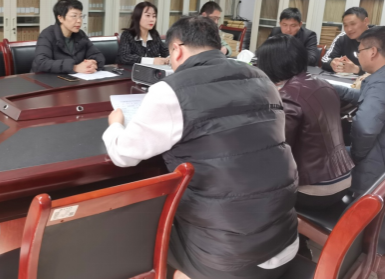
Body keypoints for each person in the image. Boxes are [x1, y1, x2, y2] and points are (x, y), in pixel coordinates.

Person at [103, 16, 298, 279]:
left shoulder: (171, 90)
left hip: (230, 261)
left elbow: (122, 154)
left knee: (137, 230)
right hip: (285, 241)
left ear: (176, 50)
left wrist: (115, 124)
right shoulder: (262, 78)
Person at [256, 34, 354, 209]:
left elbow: (279, 148)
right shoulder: (324, 84)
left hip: (315, 188)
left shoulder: (288, 96)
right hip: (343, 177)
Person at [333, 26, 385, 201]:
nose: (358, 57)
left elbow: (365, 130)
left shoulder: (383, 83)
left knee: (327, 157)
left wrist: (355, 157)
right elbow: (374, 98)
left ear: (372, 52)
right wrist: (332, 88)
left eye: (359, 52)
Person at [32, 0, 105, 74]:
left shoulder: (80, 34)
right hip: (47, 79)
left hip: (74, 78)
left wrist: (93, 63)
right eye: (74, 16)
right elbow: (41, 62)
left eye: (80, 16)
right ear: (60, 18)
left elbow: (97, 54)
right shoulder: (47, 34)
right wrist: (74, 67)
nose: (79, 20)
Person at [322, 7, 373, 74]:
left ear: (366, 21)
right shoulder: (343, 37)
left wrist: (357, 69)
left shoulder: (379, 38)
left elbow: (383, 69)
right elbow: (325, 60)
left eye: (353, 24)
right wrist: (331, 63)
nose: (349, 29)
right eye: (345, 25)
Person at [117, 1, 169, 65]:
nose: (152, 19)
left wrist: (169, 58)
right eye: (148, 15)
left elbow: (165, 51)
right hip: (130, 70)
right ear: (137, 17)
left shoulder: (154, 34)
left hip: (150, 70)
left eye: (154, 16)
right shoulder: (127, 35)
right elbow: (125, 57)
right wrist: (152, 61)